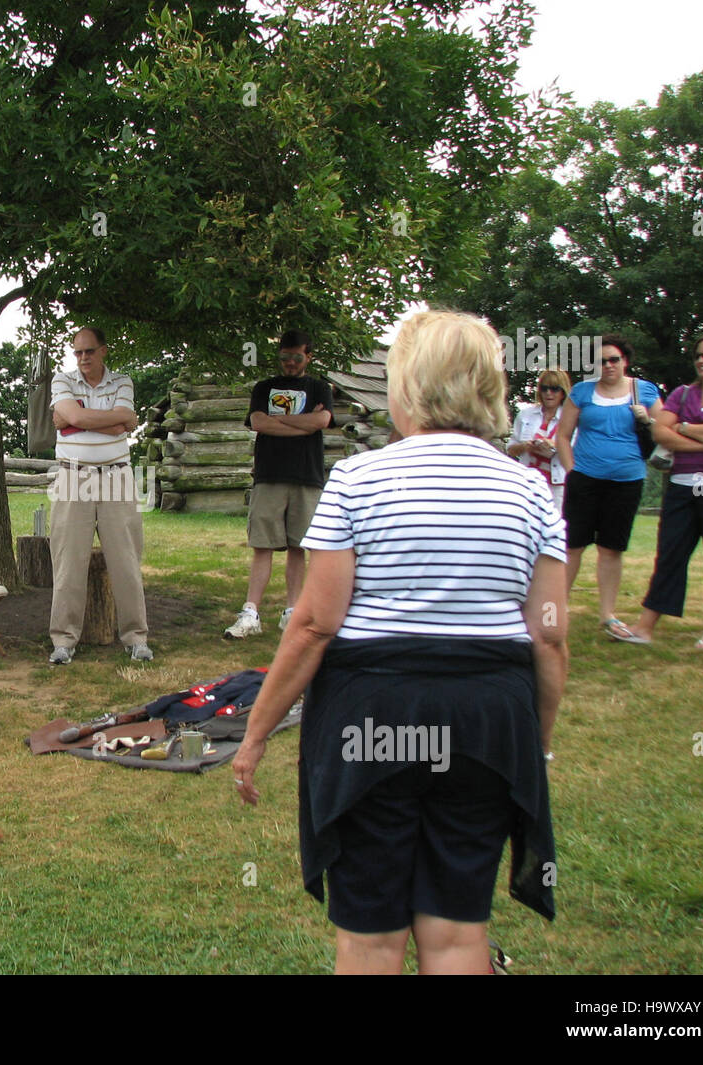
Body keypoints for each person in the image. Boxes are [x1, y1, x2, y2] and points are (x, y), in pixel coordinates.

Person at [232, 310, 567, 975]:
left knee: (371, 937)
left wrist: (256, 733)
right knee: (455, 932)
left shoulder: (360, 480)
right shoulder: (531, 491)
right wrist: (539, 742)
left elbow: (313, 624)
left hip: (372, 716)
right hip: (487, 722)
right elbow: (550, 637)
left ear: (407, 387)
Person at [623, 333, 703, 648]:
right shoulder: (681, 394)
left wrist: (684, 428)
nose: (701, 360)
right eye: (698, 355)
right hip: (683, 487)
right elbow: (659, 431)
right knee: (669, 556)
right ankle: (644, 627)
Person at [47, 327, 151, 664]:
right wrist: (117, 422)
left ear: (103, 351)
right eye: (77, 353)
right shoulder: (62, 380)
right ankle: (63, 642)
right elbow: (118, 421)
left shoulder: (123, 382)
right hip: (71, 475)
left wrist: (76, 420)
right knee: (67, 561)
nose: (82, 359)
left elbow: (72, 418)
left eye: (89, 352)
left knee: (126, 562)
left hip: (117, 477)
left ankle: (136, 639)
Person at [224, 330, 333, 638]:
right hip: (269, 475)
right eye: (285, 357)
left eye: (296, 357)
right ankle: (250, 613)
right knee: (262, 545)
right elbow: (258, 422)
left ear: (308, 356)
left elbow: (322, 422)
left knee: (299, 546)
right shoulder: (265, 387)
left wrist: (280, 422)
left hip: (306, 476)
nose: (290, 363)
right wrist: (303, 425)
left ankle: (292, 613)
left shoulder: (319, 388)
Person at [554, 335, 664, 641]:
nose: (608, 365)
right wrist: (572, 471)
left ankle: (607, 615)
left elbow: (664, 430)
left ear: (625, 361)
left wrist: (648, 419)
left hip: (627, 481)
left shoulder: (644, 390)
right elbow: (563, 435)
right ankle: (556, 609)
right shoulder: (582, 392)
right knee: (572, 546)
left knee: (611, 549)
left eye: (614, 359)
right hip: (585, 479)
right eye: (601, 361)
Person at [508, 368, 571, 510]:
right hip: (528, 481)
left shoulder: (570, 418)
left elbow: (576, 453)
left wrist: (553, 446)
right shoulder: (526, 415)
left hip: (556, 484)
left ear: (563, 392)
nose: (549, 393)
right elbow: (511, 449)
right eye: (544, 388)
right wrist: (525, 446)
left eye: (554, 389)